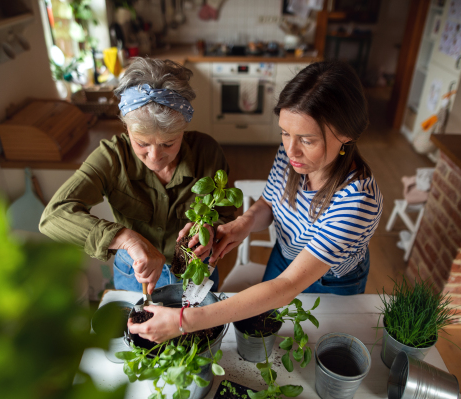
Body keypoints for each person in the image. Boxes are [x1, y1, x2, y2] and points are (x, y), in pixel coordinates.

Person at [128, 61, 383, 343]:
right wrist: (242, 224)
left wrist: (184, 321)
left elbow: (287, 286)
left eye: (307, 140)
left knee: (315, 345)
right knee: (273, 331)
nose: (290, 149)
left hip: (331, 283)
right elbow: (269, 203)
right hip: (284, 257)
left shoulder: (358, 201)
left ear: (346, 136)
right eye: (285, 133)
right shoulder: (294, 157)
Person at [39, 57, 234, 293]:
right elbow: (54, 216)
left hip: (195, 271)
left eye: (168, 143)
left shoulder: (208, 152)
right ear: (126, 126)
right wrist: (126, 239)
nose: (154, 156)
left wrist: (211, 232)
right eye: (142, 143)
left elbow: (224, 213)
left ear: (183, 127)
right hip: (134, 275)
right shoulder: (112, 157)